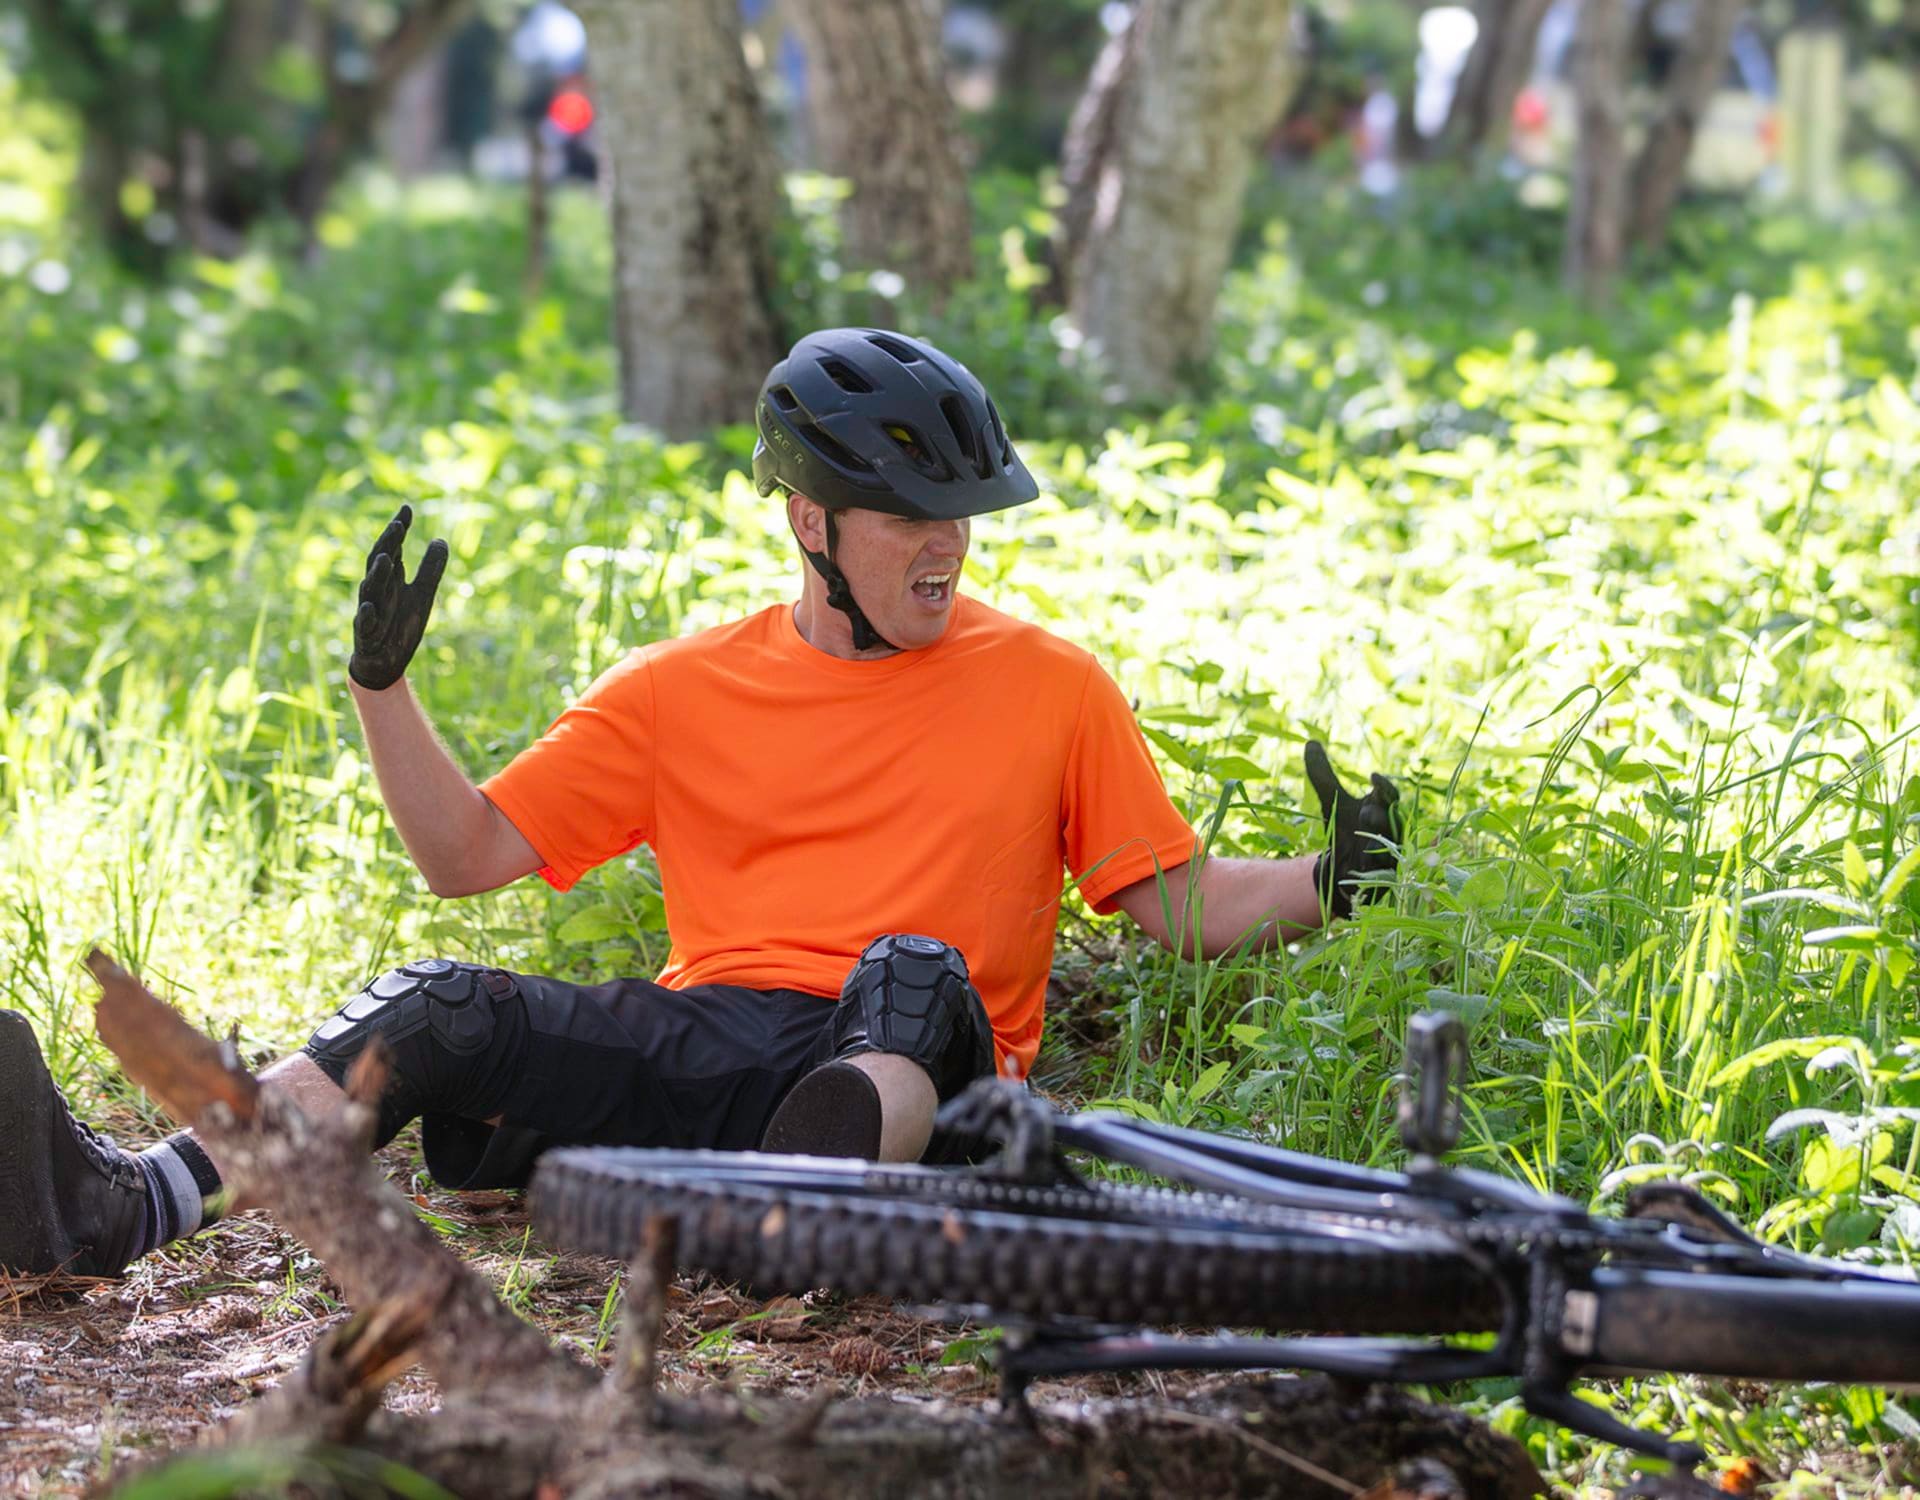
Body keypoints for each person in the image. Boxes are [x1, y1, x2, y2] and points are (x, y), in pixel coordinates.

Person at [0, 327, 1402, 1280]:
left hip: (935, 1070)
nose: (948, 545)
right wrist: (381, 687)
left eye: (962, 513)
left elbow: (1173, 902)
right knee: (437, 1007)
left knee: (907, 974)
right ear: (812, 523)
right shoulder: (682, 689)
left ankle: (821, 1218)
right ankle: (123, 1205)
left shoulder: (1051, 684)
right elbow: (464, 855)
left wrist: (1333, 873)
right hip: (727, 1044)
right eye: (913, 513)